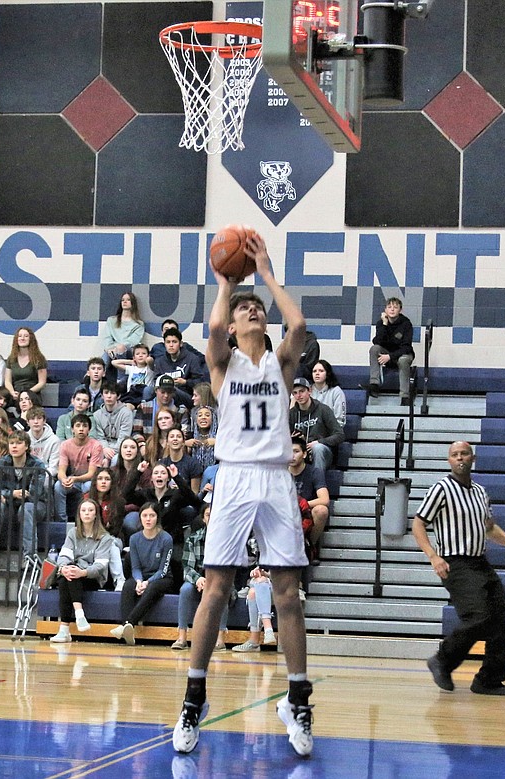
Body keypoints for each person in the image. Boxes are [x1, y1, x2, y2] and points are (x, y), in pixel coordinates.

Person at [173, 232, 314, 759]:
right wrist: (227, 283)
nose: (253, 312)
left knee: (286, 593)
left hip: (276, 478)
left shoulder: (280, 364)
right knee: (215, 588)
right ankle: (194, 696)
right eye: (244, 310)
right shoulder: (221, 363)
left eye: (258, 309)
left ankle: (296, 698)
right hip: (232, 476)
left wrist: (266, 275)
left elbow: (297, 324)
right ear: (234, 326)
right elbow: (212, 326)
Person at [414, 441, 505, 696]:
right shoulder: (441, 488)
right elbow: (418, 524)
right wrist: (433, 556)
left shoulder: (480, 492)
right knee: (478, 616)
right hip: (455, 563)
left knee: (502, 621)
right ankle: (442, 660)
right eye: (454, 455)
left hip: (480, 562)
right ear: (449, 461)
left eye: (464, 453)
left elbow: (489, 527)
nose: (460, 458)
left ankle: (488, 680)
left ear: (472, 458)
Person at [49, 498, 116, 644]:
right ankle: (78, 616)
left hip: (93, 577)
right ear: (79, 514)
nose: (87, 513)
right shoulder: (73, 533)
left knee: (72, 577)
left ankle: (64, 630)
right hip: (75, 574)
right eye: (83, 510)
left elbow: (100, 567)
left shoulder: (105, 538)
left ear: (96, 515)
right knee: (66, 577)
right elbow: (63, 556)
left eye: (90, 510)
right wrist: (64, 568)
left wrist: (82, 572)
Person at [110, 502, 176, 645]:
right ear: (140, 518)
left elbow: (163, 570)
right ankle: (128, 629)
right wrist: (139, 581)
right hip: (142, 576)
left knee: (152, 587)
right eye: (144, 515)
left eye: (152, 515)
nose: (148, 519)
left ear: (157, 518)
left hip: (163, 578)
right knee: (129, 585)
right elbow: (135, 567)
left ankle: (127, 624)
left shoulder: (166, 538)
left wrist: (147, 582)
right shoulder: (134, 539)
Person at [172, 504, 229, 651]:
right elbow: (187, 566)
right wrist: (198, 579)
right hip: (197, 580)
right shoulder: (193, 539)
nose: (211, 518)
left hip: (219, 580)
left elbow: (227, 569)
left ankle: (220, 639)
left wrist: (210, 581)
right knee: (185, 589)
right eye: (208, 515)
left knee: (221, 590)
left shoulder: (227, 541)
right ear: (203, 519)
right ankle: (182, 637)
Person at [0, 429, 49, 564]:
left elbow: (33, 494)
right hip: (11, 504)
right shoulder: (3, 462)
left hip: (36, 505)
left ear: (27, 446)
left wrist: (7, 494)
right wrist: (13, 494)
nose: (14, 446)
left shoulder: (37, 464)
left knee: (26, 508)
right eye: (11, 443)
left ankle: (28, 557)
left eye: (18, 443)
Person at [288, 376, 344, 483]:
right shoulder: (292, 414)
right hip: (301, 452)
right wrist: (293, 439)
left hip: (322, 452)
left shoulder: (323, 409)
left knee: (317, 448)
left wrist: (319, 441)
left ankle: (319, 486)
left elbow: (339, 435)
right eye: (295, 393)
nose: (299, 396)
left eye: (302, 391)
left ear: (309, 391)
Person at [53, 414, 104, 523]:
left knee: (88, 486)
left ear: (89, 430)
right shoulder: (65, 445)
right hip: (73, 480)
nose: (81, 429)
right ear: (72, 429)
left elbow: (92, 473)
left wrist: (75, 479)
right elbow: (61, 470)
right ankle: (61, 521)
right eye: (78, 426)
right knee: (58, 486)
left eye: (84, 426)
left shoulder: (96, 445)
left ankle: (85, 521)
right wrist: (64, 479)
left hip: (89, 480)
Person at [289, 433, 330, 565]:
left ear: (304, 454)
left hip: (305, 513)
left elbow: (324, 499)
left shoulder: (314, 472)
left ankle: (310, 545)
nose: (292, 455)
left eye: (296, 451)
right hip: (285, 513)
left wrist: (302, 504)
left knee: (321, 510)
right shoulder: (279, 472)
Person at [367, 296, 415, 401]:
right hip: (387, 353)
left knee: (403, 360)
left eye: (395, 307)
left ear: (400, 310)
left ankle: (404, 396)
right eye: (389, 307)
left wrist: (390, 356)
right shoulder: (381, 323)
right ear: (385, 310)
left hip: (403, 355)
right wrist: (385, 324)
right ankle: (374, 384)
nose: (392, 309)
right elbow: (377, 341)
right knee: (374, 349)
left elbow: (406, 347)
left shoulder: (406, 324)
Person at [232, 562, 277, 652]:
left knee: (261, 581)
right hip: (262, 588)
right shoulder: (259, 553)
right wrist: (255, 573)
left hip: (283, 589)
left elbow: (287, 576)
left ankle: (267, 629)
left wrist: (267, 575)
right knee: (252, 592)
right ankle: (254, 641)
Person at [100, 291, 146, 367]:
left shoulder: (139, 324)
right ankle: (93, 376)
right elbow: (107, 337)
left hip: (129, 351)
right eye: (123, 300)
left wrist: (118, 348)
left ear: (133, 303)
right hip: (112, 350)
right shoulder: (111, 320)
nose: (125, 301)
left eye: (128, 300)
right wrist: (110, 348)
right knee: (105, 355)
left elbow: (133, 341)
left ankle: (121, 378)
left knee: (120, 348)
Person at [90, 385, 134, 463]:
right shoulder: (96, 415)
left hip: (121, 448)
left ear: (118, 396)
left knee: (115, 460)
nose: (109, 396)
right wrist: (105, 449)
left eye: (112, 393)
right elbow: (100, 437)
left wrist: (111, 454)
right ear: (102, 396)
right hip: (103, 449)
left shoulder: (126, 413)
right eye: (106, 393)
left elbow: (124, 436)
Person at [3, 326, 48, 396]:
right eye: (20, 336)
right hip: (15, 395)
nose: (22, 338)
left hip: (32, 395)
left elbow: (42, 383)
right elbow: (7, 381)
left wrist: (26, 393)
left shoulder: (39, 359)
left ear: (31, 339)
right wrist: (12, 392)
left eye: (26, 336)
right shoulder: (11, 358)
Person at [113, 343, 154, 408]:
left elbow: (150, 360)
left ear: (148, 355)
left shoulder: (149, 369)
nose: (140, 355)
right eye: (137, 354)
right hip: (131, 395)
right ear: (134, 357)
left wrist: (147, 359)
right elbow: (114, 362)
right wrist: (131, 361)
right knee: (127, 407)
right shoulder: (131, 368)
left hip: (143, 394)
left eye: (143, 353)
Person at [310, 359, 347, 425]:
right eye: (314, 371)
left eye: (321, 371)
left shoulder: (336, 391)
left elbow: (340, 420)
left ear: (327, 374)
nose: (317, 373)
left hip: (330, 432)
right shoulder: (307, 391)